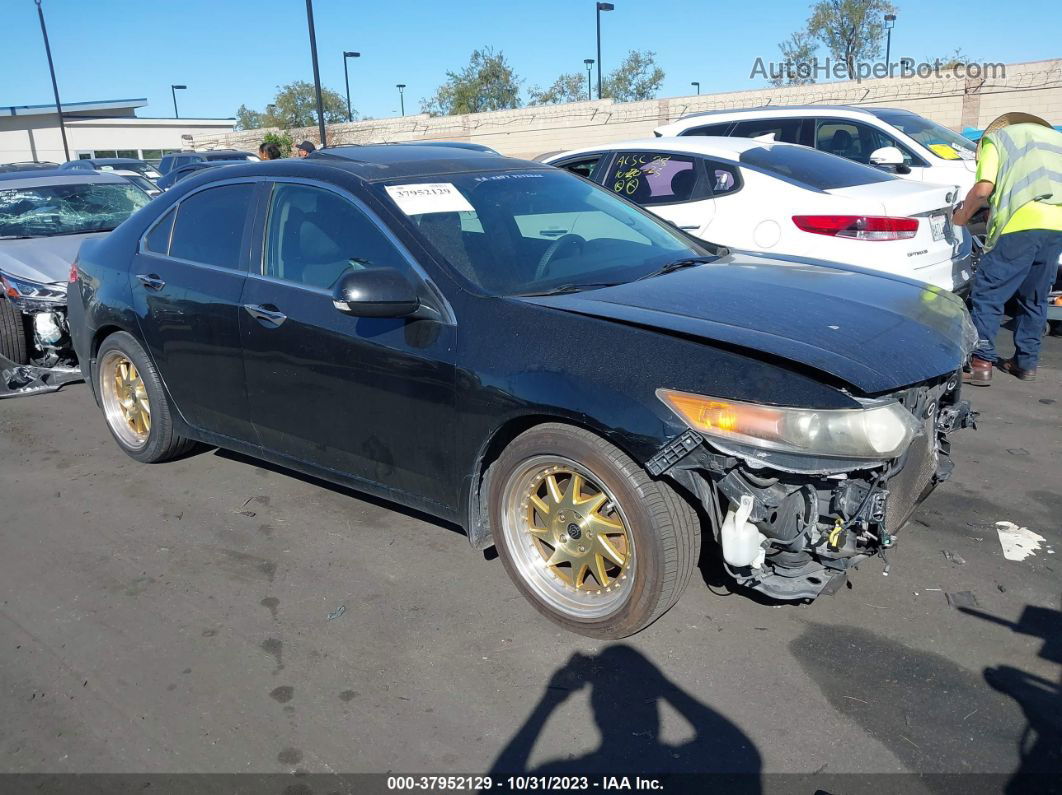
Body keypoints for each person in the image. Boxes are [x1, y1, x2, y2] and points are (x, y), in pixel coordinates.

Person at [953, 112, 1062, 385]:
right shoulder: (1056, 141)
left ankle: (981, 362)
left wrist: (962, 217)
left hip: (1018, 225)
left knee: (989, 292)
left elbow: (983, 189)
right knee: (1034, 297)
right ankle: (1025, 363)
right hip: (1056, 225)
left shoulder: (996, 140)